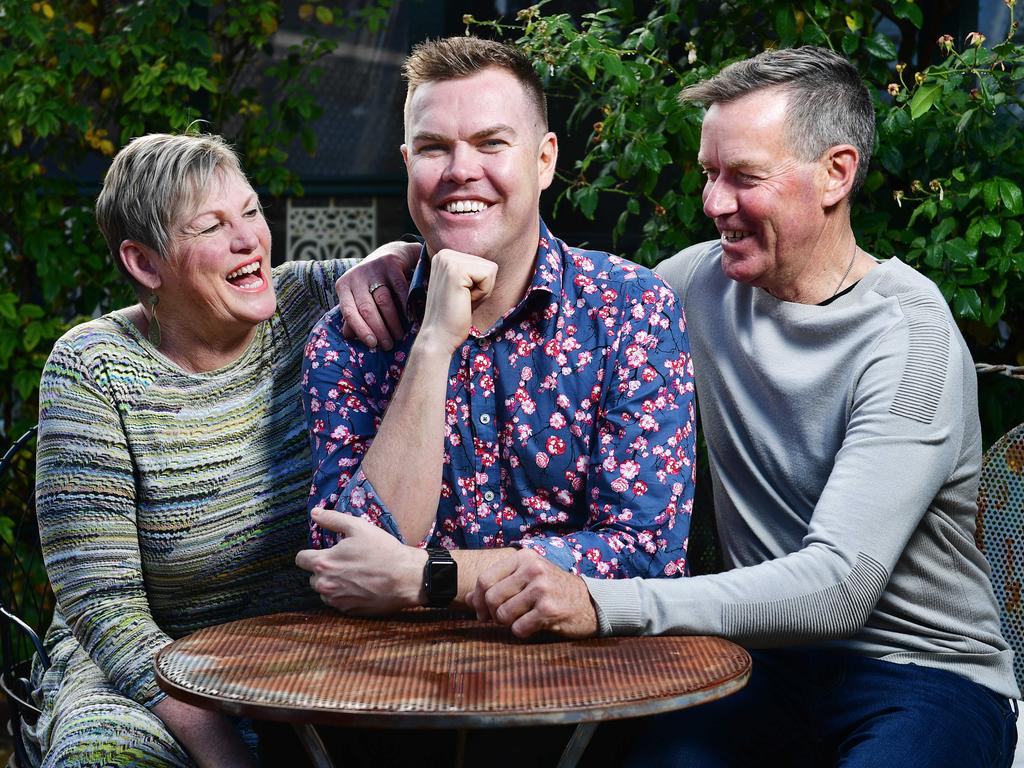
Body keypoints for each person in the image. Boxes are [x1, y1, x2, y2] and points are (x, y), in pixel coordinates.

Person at [468, 46, 1020, 766]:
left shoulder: (909, 338)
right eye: (709, 174)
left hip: (922, 674)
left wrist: (604, 603)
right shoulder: (697, 286)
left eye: (744, 177)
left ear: (836, 174)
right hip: (760, 666)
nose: (714, 203)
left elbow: (835, 591)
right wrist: (399, 267)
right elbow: (546, 290)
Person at [27, 132, 415, 768]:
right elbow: (102, 605)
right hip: (146, 671)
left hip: (316, 665)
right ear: (145, 264)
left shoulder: (313, 301)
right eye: (213, 226)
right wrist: (224, 748)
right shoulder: (93, 369)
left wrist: (393, 255)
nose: (249, 241)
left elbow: (435, 272)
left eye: (252, 212)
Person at [295, 36, 696, 615]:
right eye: (434, 148)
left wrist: (432, 577)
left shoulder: (629, 310)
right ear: (407, 165)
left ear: (544, 160)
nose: (461, 171)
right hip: (395, 683)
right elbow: (345, 565)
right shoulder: (353, 336)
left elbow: (648, 553)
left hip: (588, 681)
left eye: (492, 144)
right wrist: (432, 344)